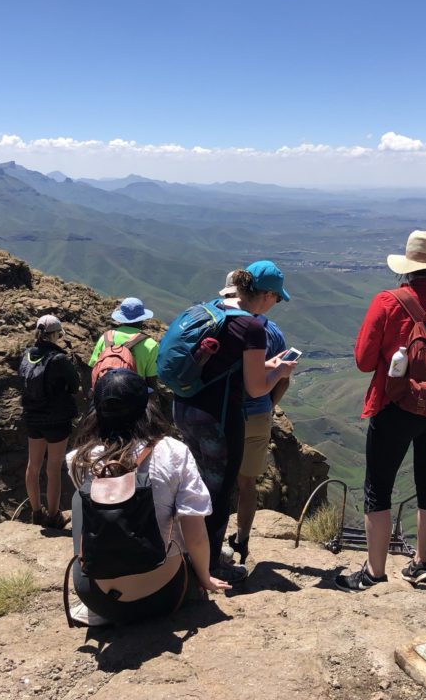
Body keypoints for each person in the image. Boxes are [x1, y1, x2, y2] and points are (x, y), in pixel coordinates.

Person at [336, 230, 426, 591]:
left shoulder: (388, 302)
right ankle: (422, 565)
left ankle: (374, 573)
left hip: (395, 407)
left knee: (378, 487)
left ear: (408, 267)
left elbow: (364, 361)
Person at [66, 369, 231, 626]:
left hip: (101, 599)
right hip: (164, 594)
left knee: (81, 504)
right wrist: (204, 578)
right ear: (146, 406)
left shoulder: (78, 460)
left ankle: (102, 606)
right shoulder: (174, 452)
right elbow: (195, 533)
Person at [171, 260, 296, 583]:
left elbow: (228, 366)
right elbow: (256, 387)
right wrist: (279, 372)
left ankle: (184, 549)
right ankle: (210, 564)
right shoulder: (252, 326)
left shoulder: (213, 309)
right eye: (277, 298)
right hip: (219, 418)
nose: (277, 304)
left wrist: (265, 363)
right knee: (218, 490)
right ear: (266, 295)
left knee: (194, 484)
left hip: (185, 408)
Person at [222, 272, 290, 564]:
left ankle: (210, 541)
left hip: (223, 413)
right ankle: (242, 540)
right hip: (257, 415)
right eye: (276, 297)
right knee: (246, 484)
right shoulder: (272, 332)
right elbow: (282, 381)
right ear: (265, 295)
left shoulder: (219, 323)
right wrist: (266, 405)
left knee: (217, 482)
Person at [19, 314, 80, 529]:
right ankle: (54, 516)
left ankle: (36, 512)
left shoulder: (27, 355)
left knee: (33, 465)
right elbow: (74, 386)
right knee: (53, 468)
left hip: (32, 417)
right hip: (57, 419)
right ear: (55, 334)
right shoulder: (59, 359)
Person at [88, 297, 159, 388]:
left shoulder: (105, 338)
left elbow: (93, 367)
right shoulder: (151, 345)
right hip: (132, 396)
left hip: (105, 393)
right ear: (142, 319)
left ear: (121, 317)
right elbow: (151, 381)